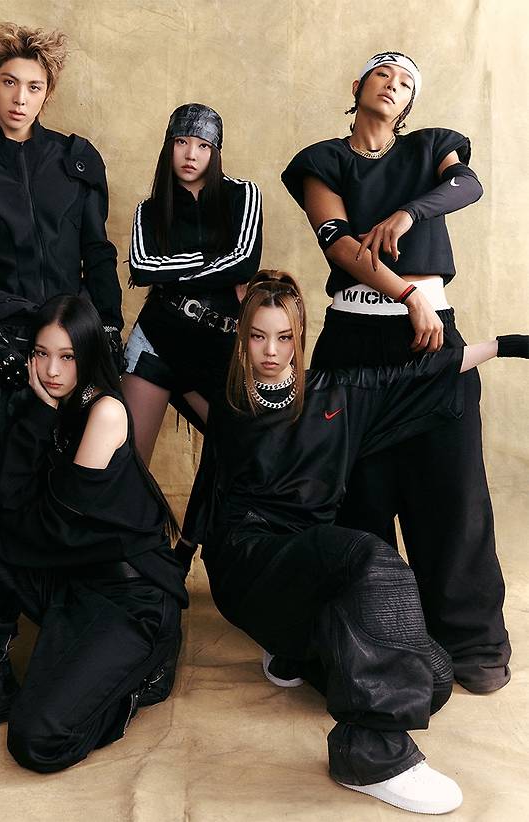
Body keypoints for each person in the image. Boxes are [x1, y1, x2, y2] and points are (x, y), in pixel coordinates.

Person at [184, 271, 527, 814]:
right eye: (257, 337)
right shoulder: (229, 400)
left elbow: (426, 369)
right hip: (247, 561)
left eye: (283, 337)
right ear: (242, 338)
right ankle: (370, 754)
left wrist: (507, 345)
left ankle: (294, 651)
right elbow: (206, 484)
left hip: (310, 565)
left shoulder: (339, 392)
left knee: (434, 678)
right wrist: (173, 569)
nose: (270, 351)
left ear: (300, 337)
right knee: (372, 558)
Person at [281, 51, 510, 694]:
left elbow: (468, 185)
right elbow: (337, 242)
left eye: (407, 81)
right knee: (358, 495)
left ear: (410, 104)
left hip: (431, 338)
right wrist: (406, 294)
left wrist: (411, 213)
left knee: (453, 489)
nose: (394, 84)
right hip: (355, 339)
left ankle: (469, 640)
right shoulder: (322, 161)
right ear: (358, 86)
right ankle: (370, 640)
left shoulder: (432, 148)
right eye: (384, 73)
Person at [0, 23, 124, 684]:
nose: (20, 97)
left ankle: (63, 613)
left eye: (33, 86)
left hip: (64, 342)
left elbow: (97, 252)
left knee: (62, 473)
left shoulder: (76, 160)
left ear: (47, 92)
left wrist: (108, 332)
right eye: (9, 82)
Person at [0, 295, 187, 774]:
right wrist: (39, 410)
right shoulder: (50, 402)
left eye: (67, 356)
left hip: (128, 597)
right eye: (41, 353)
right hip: (71, 578)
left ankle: (142, 677)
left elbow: (56, 529)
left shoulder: (106, 412)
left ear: (88, 354)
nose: (51, 370)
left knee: (37, 740)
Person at [122, 102, 263, 467]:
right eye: (181, 142)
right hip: (157, 339)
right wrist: (215, 261)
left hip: (217, 345)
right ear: (168, 146)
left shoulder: (243, 195)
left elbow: (245, 261)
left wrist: (171, 272)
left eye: (203, 145)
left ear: (215, 152)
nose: (190, 154)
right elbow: (142, 268)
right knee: (129, 466)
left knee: (245, 457)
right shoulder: (149, 210)